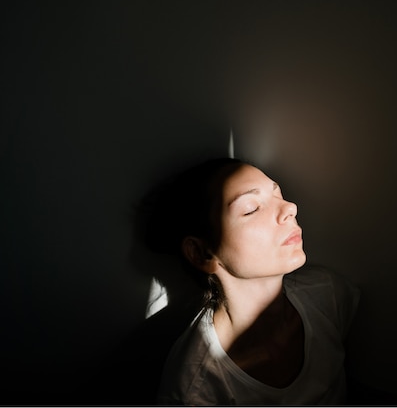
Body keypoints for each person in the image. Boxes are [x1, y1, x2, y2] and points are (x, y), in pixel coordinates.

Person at [143, 157, 360, 405]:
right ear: (202, 253)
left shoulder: (327, 294)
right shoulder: (196, 387)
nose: (290, 207)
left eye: (278, 194)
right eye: (251, 209)